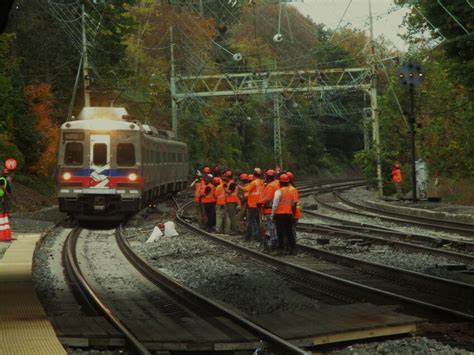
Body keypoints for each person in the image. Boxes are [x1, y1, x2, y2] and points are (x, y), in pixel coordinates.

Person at [271, 173, 297, 255]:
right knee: (289, 232)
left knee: (280, 232)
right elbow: (293, 204)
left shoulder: (278, 192)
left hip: (279, 215)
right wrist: (292, 215)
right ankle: (292, 250)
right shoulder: (291, 192)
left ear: (280, 182)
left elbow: (275, 205)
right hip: (289, 215)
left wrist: (272, 215)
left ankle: (280, 249)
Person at [240, 168, 264, 241]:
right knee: (257, 221)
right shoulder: (261, 182)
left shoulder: (254, 183)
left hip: (253, 205)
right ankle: (258, 236)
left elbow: (246, 189)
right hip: (259, 204)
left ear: (254, 174)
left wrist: (238, 186)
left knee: (250, 221)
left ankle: (248, 237)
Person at [258, 169, 279, 249]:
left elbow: (268, 198)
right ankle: (276, 240)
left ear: (268, 176)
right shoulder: (277, 183)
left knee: (271, 226)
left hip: (269, 209)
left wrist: (260, 202)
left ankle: (273, 240)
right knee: (275, 226)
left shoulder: (271, 186)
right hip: (276, 208)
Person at [224, 170, 239, 235]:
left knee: (232, 216)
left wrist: (224, 188)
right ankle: (233, 229)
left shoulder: (232, 184)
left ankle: (235, 230)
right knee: (231, 216)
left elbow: (229, 192)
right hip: (230, 201)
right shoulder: (231, 183)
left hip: (231, 201)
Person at [286, 171, 301, 240]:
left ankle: (292, 246)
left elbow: (294, 204)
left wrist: (292, 215)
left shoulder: (292, 189)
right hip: (291, 213)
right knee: (290, 230)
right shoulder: (291, 188)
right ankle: (290, 245)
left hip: (293, 214)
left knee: (291, 230)